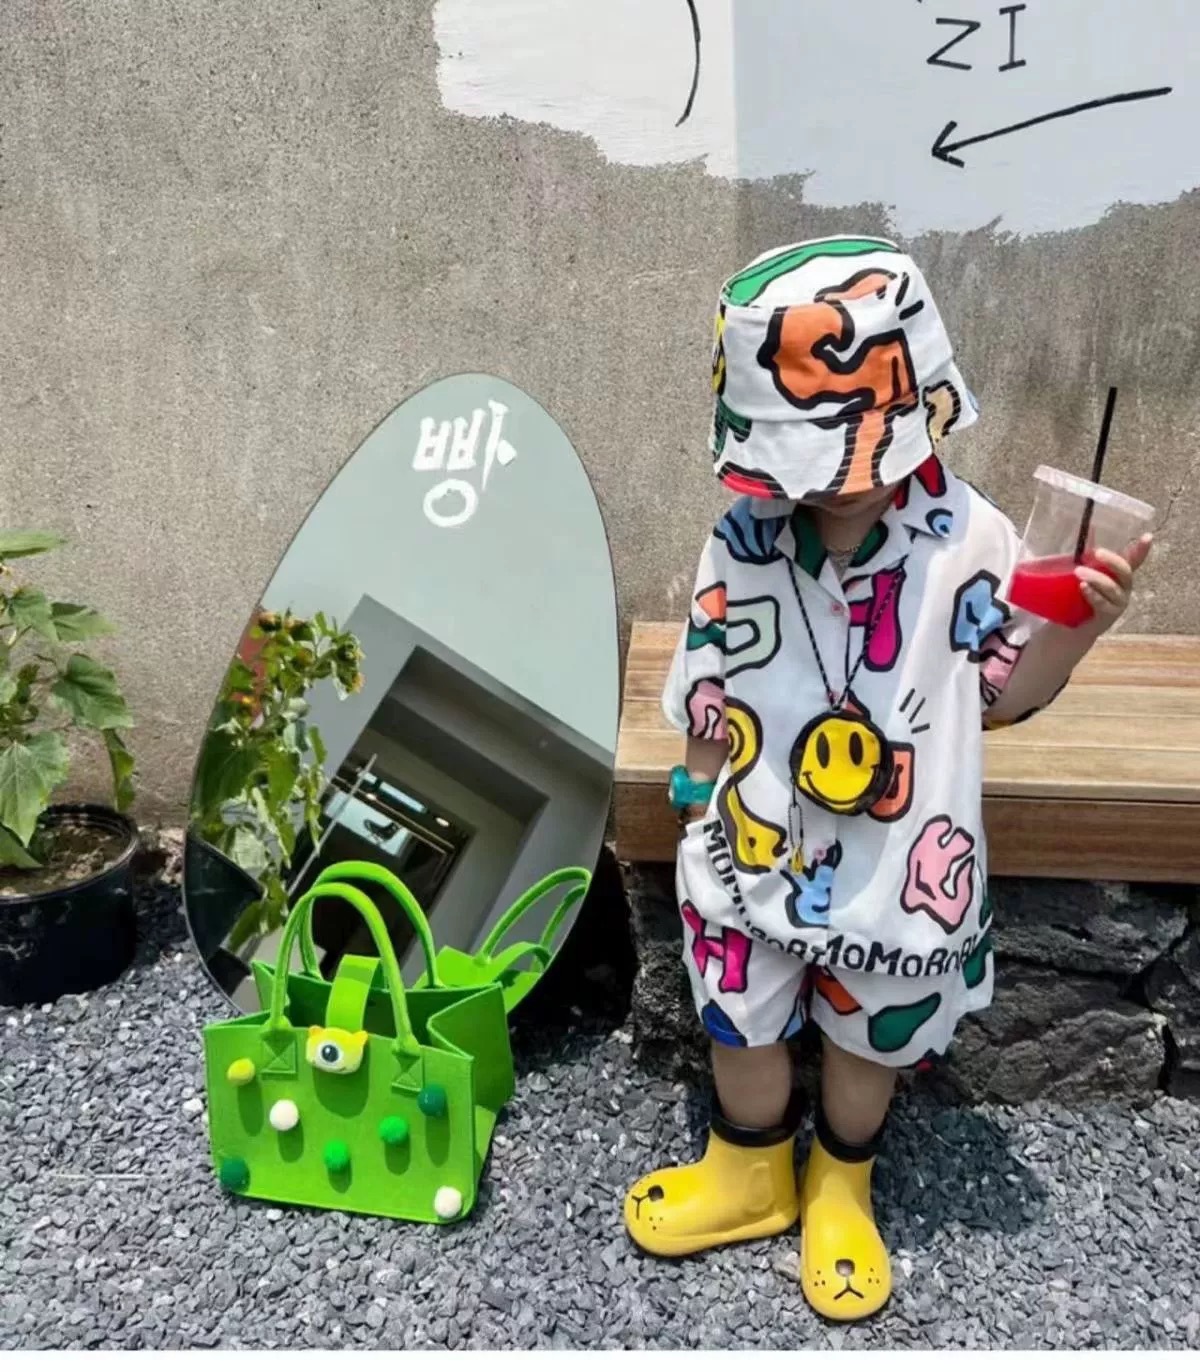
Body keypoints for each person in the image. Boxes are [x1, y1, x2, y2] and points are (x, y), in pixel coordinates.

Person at [622, 235, 1152, 1321]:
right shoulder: (743, 538)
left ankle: (840, 1181)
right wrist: (692, 796)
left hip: (903, 858)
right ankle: (751, 1167)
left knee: (873, 1034)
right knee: (740, 1015)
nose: (828, 485)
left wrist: (1075, 631)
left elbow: (998, 692)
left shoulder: (973, 539)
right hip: (750, 837)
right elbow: (711, 675)